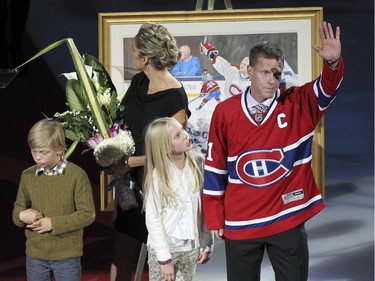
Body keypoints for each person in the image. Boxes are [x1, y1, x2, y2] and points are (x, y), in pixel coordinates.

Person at [202, 21, 343, 281]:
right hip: (241, 222)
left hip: (286, 219)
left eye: (276, 73)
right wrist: (214, 216)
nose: (271, 80)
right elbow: (215, 166)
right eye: (264, 72)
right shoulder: (225, 111)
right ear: (249, 71)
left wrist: (333, 64)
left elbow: (326, 88)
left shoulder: (297, 103)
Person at [110, 22, 190, 281]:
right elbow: (118, 122)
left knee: (161, 256)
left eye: (133, 51)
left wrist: (133, 162)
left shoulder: (175, 99)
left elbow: (173, 152)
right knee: (122, 250)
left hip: (159, 186)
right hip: (130, 183)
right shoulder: (138, 81)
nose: (131, 55)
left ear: (145, 58)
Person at [12, 118, 96, 281]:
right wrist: (22, 216)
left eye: (43, 152)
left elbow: (87, 214)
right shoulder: (28, 175)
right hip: (35, 256)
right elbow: (17, 209)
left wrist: (53, 224)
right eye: (33, 151)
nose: (37, 157)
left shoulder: (77, 175)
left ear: (59, 149)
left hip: (67, 256)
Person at [143, 117, 213, 281]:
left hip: (190, 249)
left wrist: (206, 241)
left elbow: (204, 206)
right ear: (165, 146)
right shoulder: (158, 175)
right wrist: (164, 258)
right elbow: (153, 219)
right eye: (177, 135)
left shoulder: (198, 163)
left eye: (182, 129)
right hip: (165, 250)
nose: (184, 134)